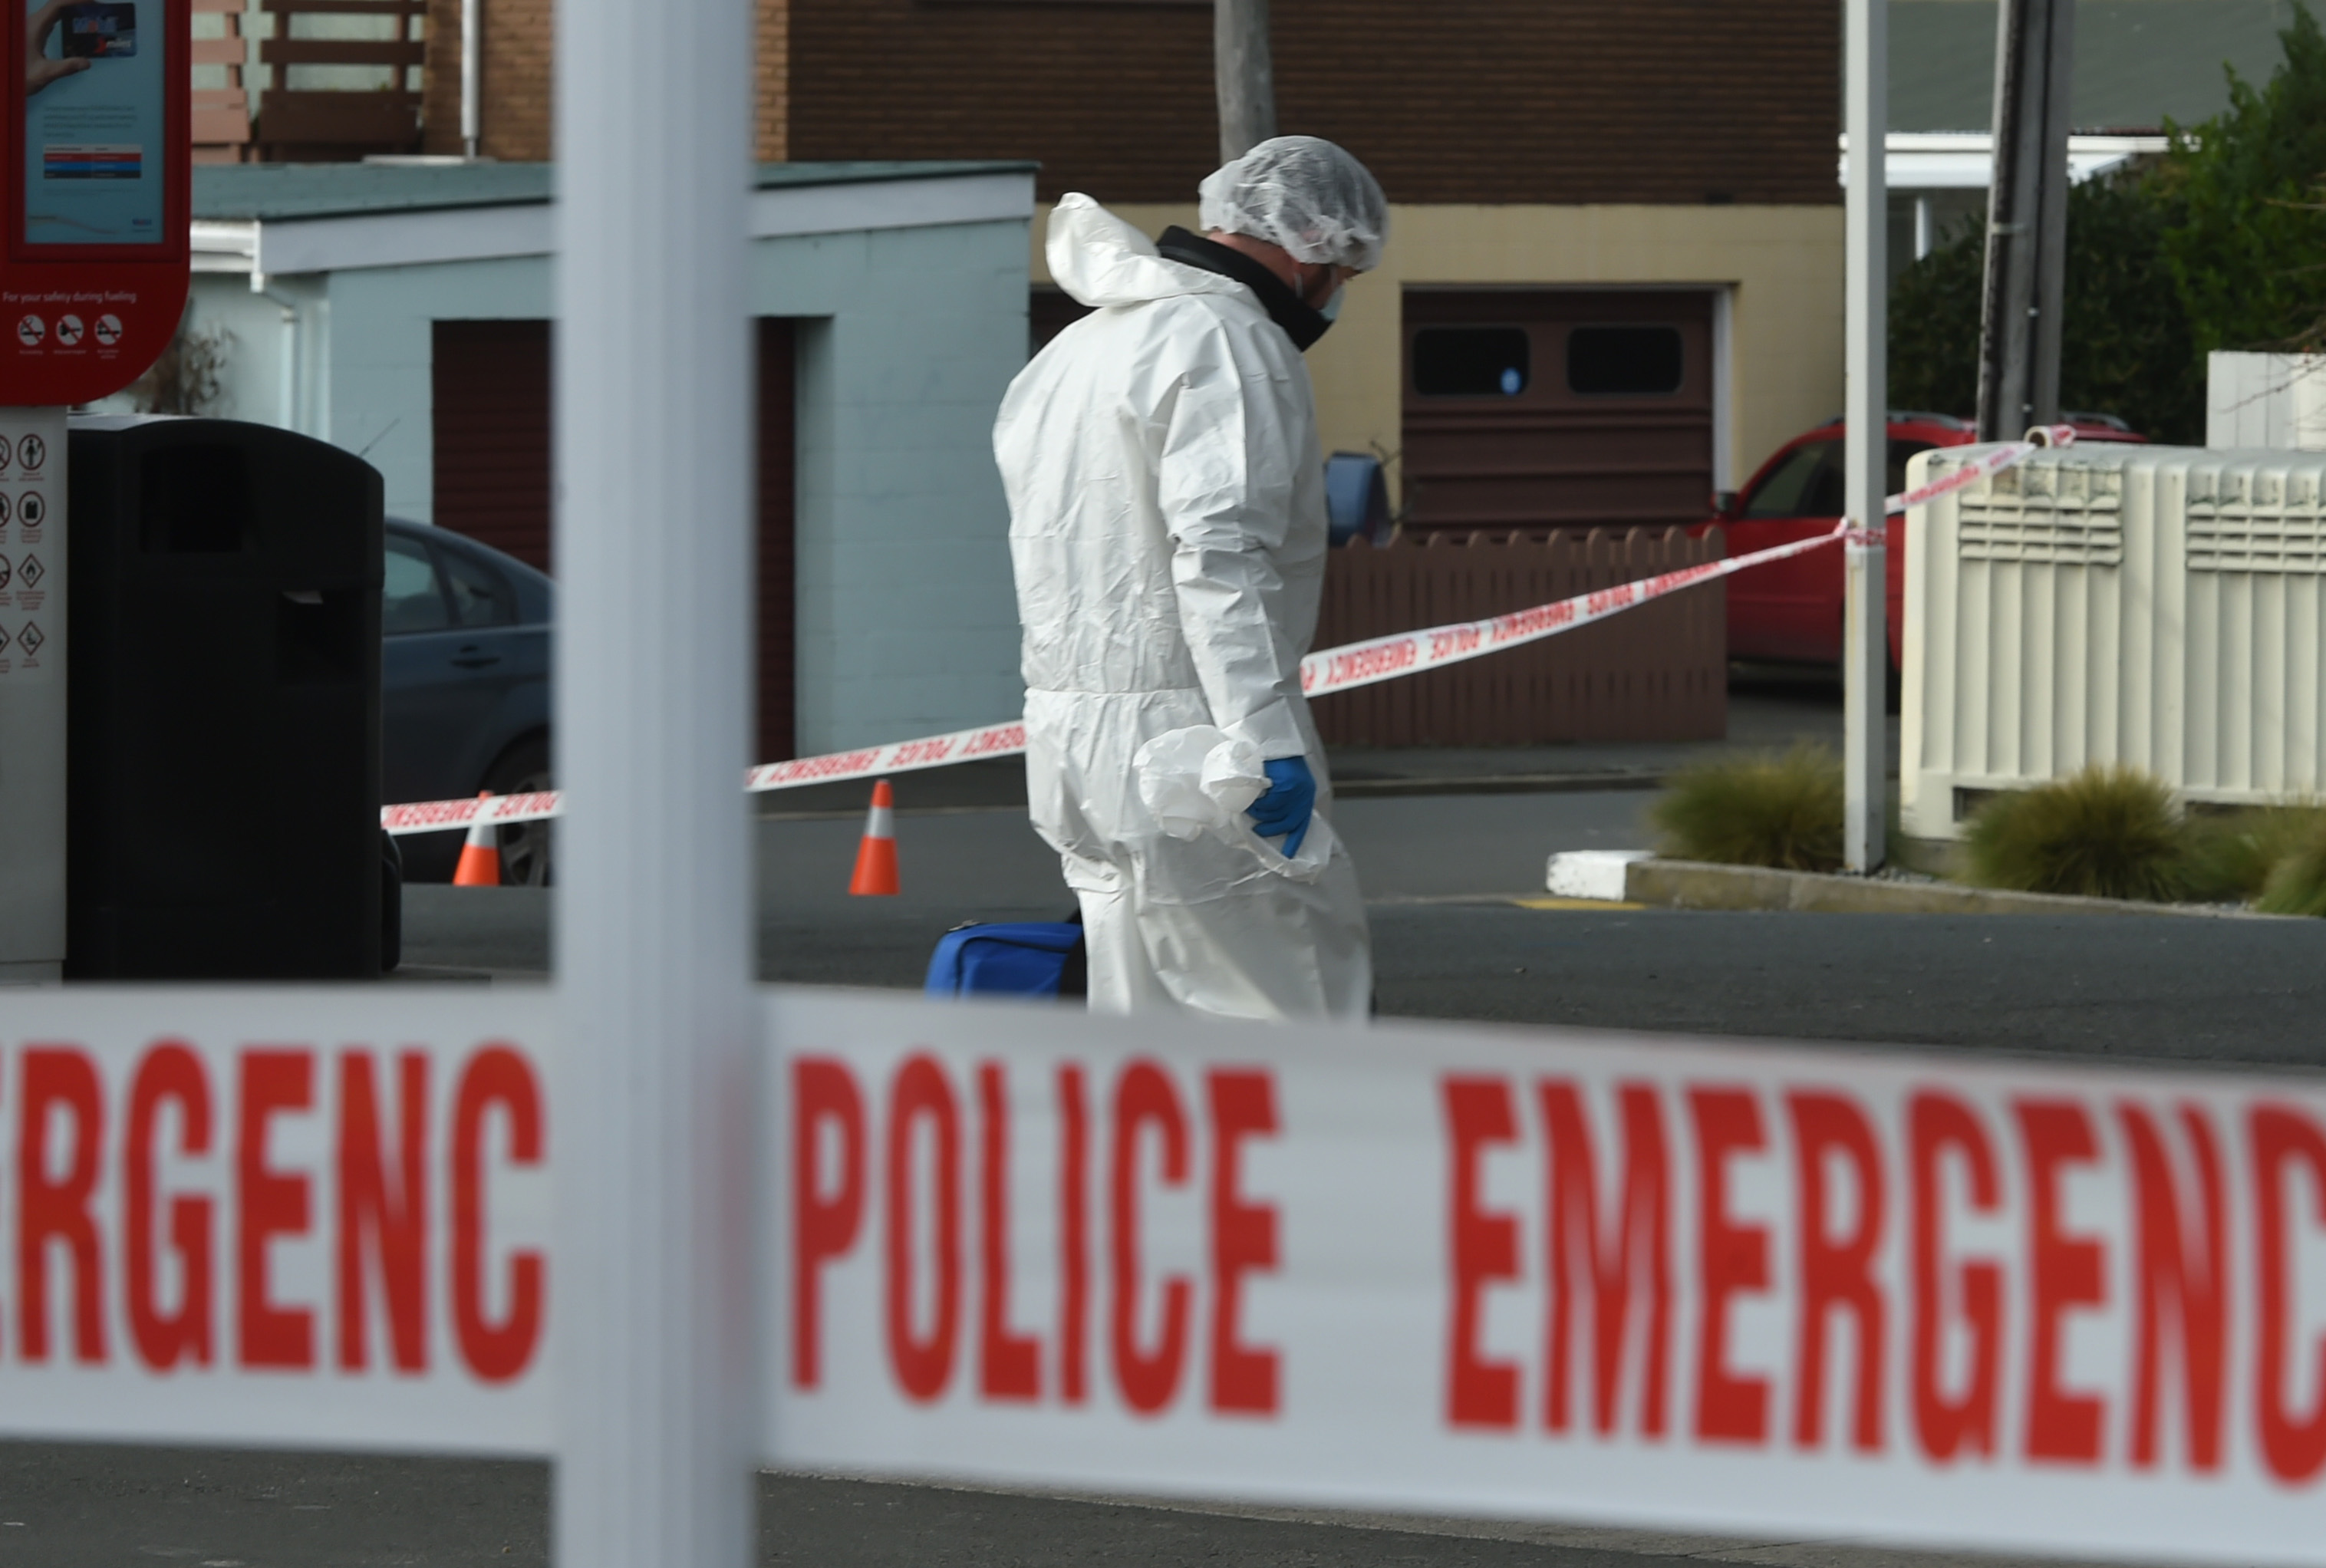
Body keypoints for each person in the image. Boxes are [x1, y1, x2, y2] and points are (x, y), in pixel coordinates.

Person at [993, 136, 1388, 1021]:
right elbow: (1218, 556)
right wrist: (1263, 737)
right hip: (1196, 743)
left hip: (1073, 742)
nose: (1338, 292)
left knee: (1140, 1030)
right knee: (1286, 1011)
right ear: (1311, 245)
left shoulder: (1073, 351)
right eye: (1345, 269)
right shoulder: (1232, 344)